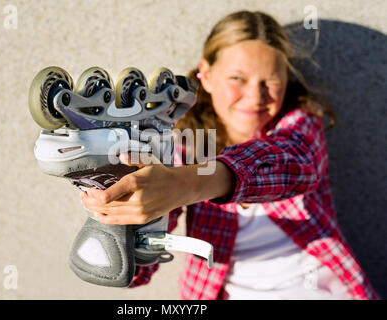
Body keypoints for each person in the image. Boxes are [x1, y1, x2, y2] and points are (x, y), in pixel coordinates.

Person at [79, 10, 379, 300]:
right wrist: (118, 210)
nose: (255, 97)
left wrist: (190, 184)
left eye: (270, 81)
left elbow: (295, 162)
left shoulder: (300, 127)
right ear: (206, 76)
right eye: (238, 78)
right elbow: (139, 269)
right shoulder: (183, 149)